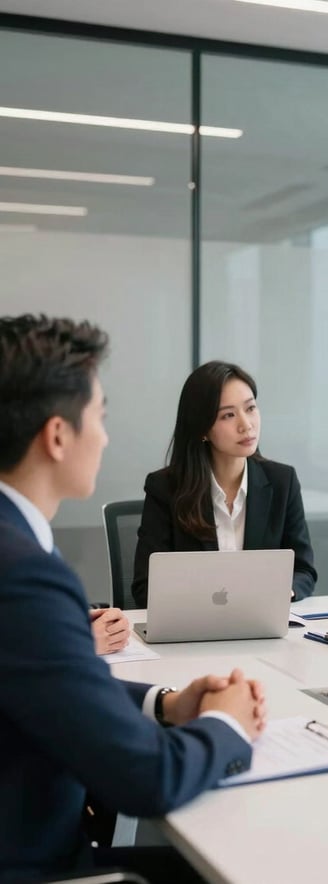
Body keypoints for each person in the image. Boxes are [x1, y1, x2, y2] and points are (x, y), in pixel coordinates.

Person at [0, 314, 267, 883]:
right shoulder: (23, 576)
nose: (105, 436)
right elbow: (149, 779)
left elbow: (47, 680)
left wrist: (166, 705)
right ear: (56, 435)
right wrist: (228, 724)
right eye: (99, 416)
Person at [131, 360, 316, 607]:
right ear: (202, 429)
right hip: (191, 632)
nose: (246, 425)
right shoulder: (165, 489)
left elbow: (303, 570)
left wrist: (285, 591)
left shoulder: (283, 481)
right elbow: (146, 587)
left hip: (260, 627)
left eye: (250, 408)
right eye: (228, 415)